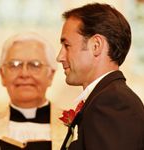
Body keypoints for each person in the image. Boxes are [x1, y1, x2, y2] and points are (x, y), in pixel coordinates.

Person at [56, 3, 144, 150]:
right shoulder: (106, 98)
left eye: (67, 45)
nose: (60, 57)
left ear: (96, 45)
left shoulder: (113, 102)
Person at [0, 32, 66, 150]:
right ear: (2, 74)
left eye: (35, 65)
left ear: (51, 75)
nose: (24, 74)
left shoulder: (74, 127)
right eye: (14, 65)